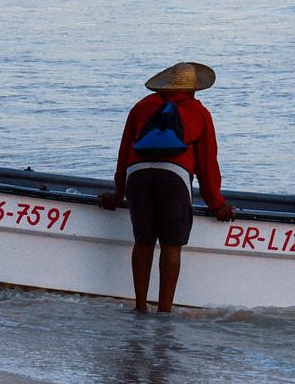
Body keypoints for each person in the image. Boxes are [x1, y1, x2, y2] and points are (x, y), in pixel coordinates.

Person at [98, 61, 235, 312]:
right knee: (171, 245)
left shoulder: (141, 106)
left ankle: (140, 307)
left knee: (143, 242)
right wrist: (217, 204)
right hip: (174, 175)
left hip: (137, 175)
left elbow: (125, 152)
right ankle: (163, 311)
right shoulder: (199, 112)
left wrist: (118, 193)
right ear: (194, 89)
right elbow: (206, 164)